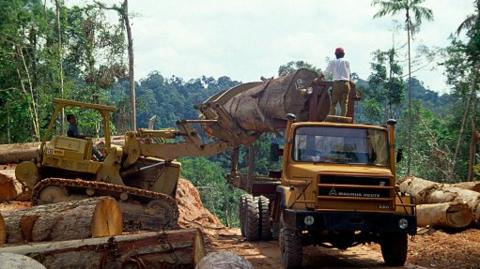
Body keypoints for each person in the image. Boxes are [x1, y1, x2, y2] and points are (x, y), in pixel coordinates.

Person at [324, 47, 351, 116]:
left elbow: (326, 72)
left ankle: (332, 117)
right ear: (343, 54)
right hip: (346, 84)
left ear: (336, 54)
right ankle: (343, 118)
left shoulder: (333, 62)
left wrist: (320, 77)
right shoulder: (347, 61)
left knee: (333, 103)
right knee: (344, 103)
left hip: (337, 84)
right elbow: (348, 73)